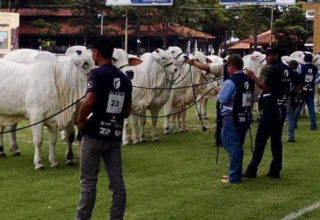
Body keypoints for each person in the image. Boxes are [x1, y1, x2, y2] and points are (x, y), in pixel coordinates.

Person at [75, 36, 132, 220]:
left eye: (92, 51)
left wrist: (80, 120)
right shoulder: (124, 79)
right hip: (114, 137)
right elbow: (127, 112)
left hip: (93, 136)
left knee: (88, 184)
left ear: (97, 53)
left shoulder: (96, 73)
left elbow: (89, 101)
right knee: (117, 184)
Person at [243, 46, 302, 179]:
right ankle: (275, 170)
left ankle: (252, 169)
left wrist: (253, 77)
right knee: (276, 140)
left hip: (271, 107)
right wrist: (290, 93)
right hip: (281, 107)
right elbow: (300, 82)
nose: (267, 58)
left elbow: (265, 87)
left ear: (276, 55)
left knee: (260, 140)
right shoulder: (287, 68)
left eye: (269, 55)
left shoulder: (273, 69)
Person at [214, 54, 254, 183]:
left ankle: (234, 176)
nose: (226, 68)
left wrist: (218, 92)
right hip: (245, 116)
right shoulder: (248, 80)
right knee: (238, 146)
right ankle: (234, 173)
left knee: (232, 146)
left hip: (231, 117)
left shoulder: (230, 81)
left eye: (227, 66)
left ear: (231, 65)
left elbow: (222, 99)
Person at [293, 53, 318, 130]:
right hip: (310, 89)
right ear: (311, 60)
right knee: (311, 108)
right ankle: (313, 125)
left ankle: (294, 124)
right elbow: (318, 76)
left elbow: (297, 75)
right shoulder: (315, 68)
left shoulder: (301, 66)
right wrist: (314, 82)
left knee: (298, 107)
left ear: (304, 59)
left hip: (302, 89)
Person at [286, 60, 304, 142]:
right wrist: (295, 91)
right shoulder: (297, 74)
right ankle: (290, 136)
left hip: (289, 98)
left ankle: (290, 137)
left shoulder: (288, 74)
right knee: (291, 117)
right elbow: (301, 84)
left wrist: (291, 91)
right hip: (295, 97)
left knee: (289, 118)